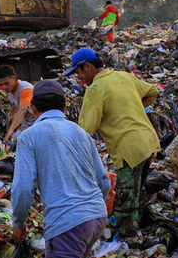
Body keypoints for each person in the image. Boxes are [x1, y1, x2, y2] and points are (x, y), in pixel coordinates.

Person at [12, 80, 109, 258]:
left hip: (67, 224)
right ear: (65, 107)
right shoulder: (81, 132)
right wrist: (92, 207)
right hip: (97, 218)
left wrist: (18, 224)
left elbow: (22, 190)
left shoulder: (29, 136)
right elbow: (104, 181)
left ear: (32, 108)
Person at [66, 47, 160, 241]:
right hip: (148, 142)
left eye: (79, 72)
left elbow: (85, 130)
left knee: (126, 197)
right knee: (138, 189)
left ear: (88, 67)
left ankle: (130, 240)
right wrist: (133, 110)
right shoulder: (123, 76)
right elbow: (153, 91)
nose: (79, 78)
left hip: (129, 148)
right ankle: (142, 225)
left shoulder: (95, 89)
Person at [0, 65, 36, 144]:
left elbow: (22, 110)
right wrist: (11, 114)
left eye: (6, 83)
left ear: (14, 78)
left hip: (38, 122)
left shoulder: (25, 89)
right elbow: (13, 103)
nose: (4, 87)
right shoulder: (9, 90)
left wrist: (11, 130)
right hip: (27, 123)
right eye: (1, 84)